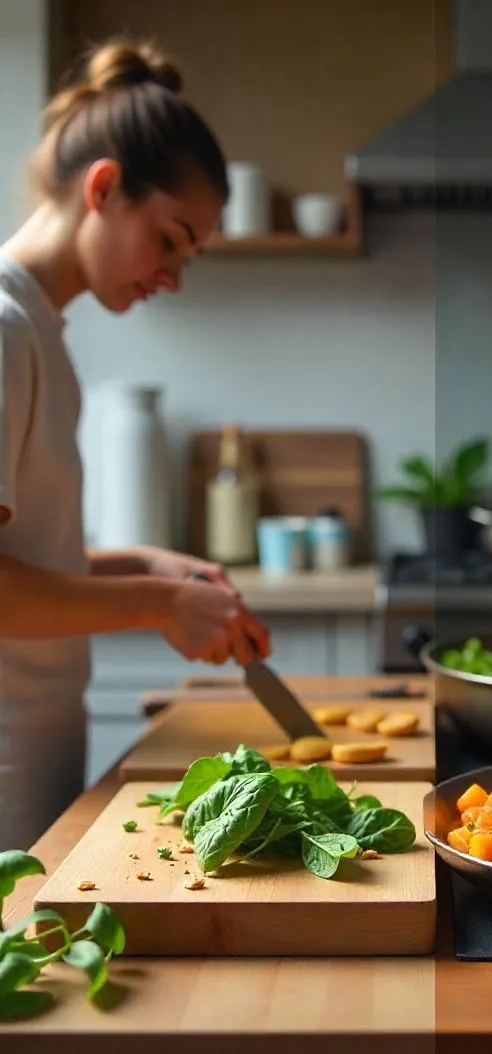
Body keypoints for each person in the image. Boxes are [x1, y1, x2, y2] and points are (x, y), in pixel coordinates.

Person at [0, 37, 271, 853]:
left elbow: (28, 556)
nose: (174, 275)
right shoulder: (5, 330)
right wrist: (156, 604)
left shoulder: (42, 332)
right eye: (171, 238)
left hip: (37, 739)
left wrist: (145, 566)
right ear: (106, 187)